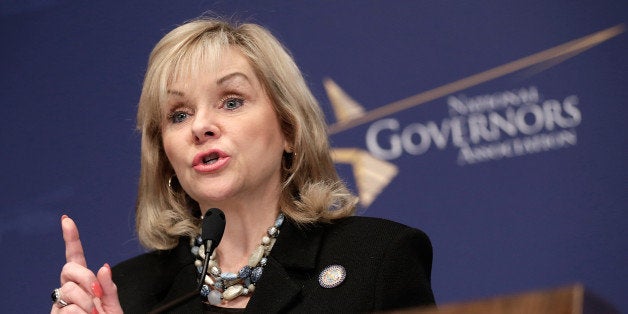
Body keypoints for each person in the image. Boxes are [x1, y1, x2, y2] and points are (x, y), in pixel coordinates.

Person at [51, 17, 435, 313]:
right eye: (179, 114)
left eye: (231, 101)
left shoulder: (378, 259)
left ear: (289, 129)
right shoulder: (127, 295)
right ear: (165, 157)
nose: (200, 127)